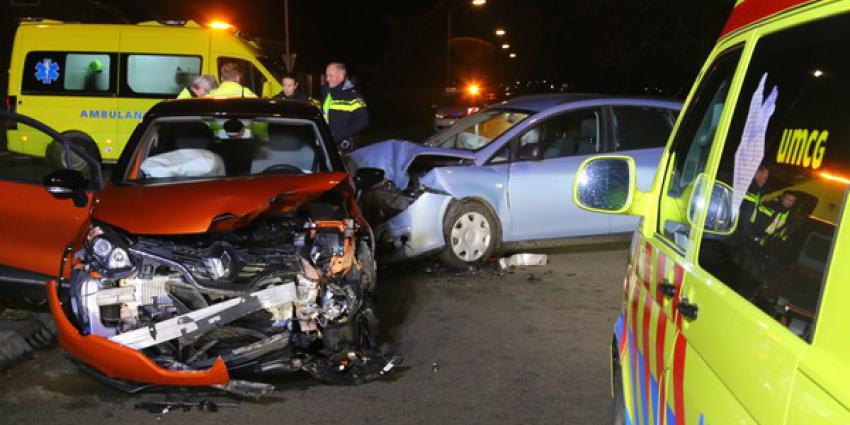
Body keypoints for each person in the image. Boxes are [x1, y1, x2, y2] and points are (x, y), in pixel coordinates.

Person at [320, 62, 369, 151]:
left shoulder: (352, 95)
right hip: (326, 143)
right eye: (326, 75)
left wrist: (340, 136)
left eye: (331, 76)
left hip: (344, 148)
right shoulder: (326, 91)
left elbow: (363, 121)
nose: (327, 79)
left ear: (341, 75)